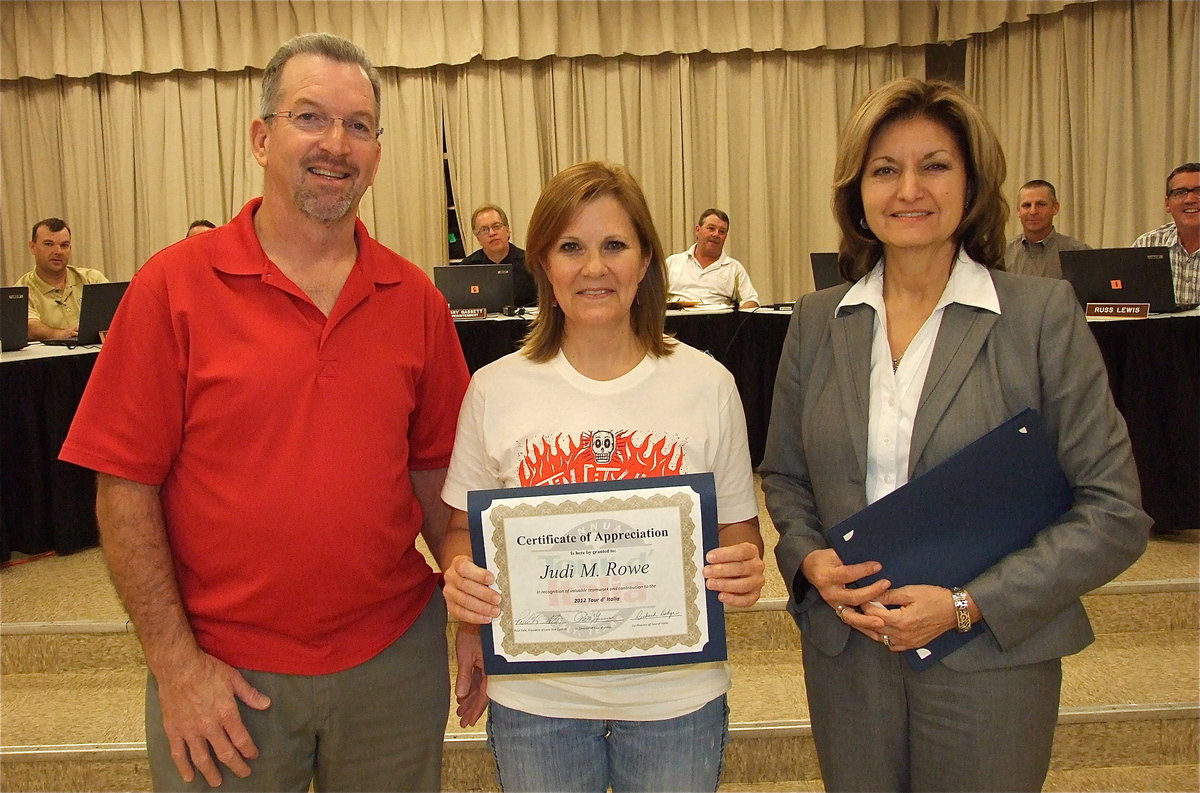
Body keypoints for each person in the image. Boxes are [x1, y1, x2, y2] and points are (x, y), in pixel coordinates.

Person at [59, 33, 470, 792]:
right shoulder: (172, 288)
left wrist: (469, 603)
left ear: (377, 153)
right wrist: (175, 665)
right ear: (260, 137)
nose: (335, 144)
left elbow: (437, 481)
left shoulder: (415, 299)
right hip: (223, 677)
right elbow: (123, 490)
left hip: (391, 668)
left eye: (358, 125)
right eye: (309, 117)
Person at [759, 78, 1150, 792]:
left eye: (934, 165)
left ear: (971, 186)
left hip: (989, 655)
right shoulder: (817, 321)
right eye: (885, 169)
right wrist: (809, 558)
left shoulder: (1039, 316)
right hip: (851, 654)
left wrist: (968, 605)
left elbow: (1114, 510)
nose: (909, 189)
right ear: (857, 193)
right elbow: (785, 476)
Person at [437, 161, 765, 792]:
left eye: (615, 245)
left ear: (646, 261)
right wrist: (462, 577)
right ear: (543, 264)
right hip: (538, 700)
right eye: (571, 247)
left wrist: (744, 564)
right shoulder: (494, 388)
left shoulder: (708, 384)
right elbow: (459, 530)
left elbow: (739, 528)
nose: (594, 268)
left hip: (676, 697)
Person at [15, 217, 108, 341]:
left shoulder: (93, 279)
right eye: (48, 244)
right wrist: (60, 334)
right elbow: (30, 327)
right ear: (32, 247)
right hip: (49, 353)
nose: (58, 251)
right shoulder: (20, 291)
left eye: (64, 245)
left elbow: (117, 315)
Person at [1132, 162, 1199, 306]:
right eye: (1180, 192)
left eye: (1199, 191)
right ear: (1167, 203)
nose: (1190, 200)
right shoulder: (1147, 244)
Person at [665, 209, 760, 308]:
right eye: (711, 228)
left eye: (722, 231)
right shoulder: (672, 263)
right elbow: (654, 296)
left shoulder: (734, 268)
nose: (716, 234)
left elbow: (751, 300)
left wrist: (740, 316)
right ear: (698, 230)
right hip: (678, 316)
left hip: (718, 317)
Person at [1003, 179, 1090, 278]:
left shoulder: (1079, 253)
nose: (1033, 211)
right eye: (1026, 205)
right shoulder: (1002, 253)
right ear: (1018, 211)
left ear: (1055, 208)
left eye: (1041, 204)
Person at [458, 203, 536, 306]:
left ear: (507, 231)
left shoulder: (531, 263)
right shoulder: (467, 268)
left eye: (496, 226)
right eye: (484, 230)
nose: (492, 233)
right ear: (478, 239)